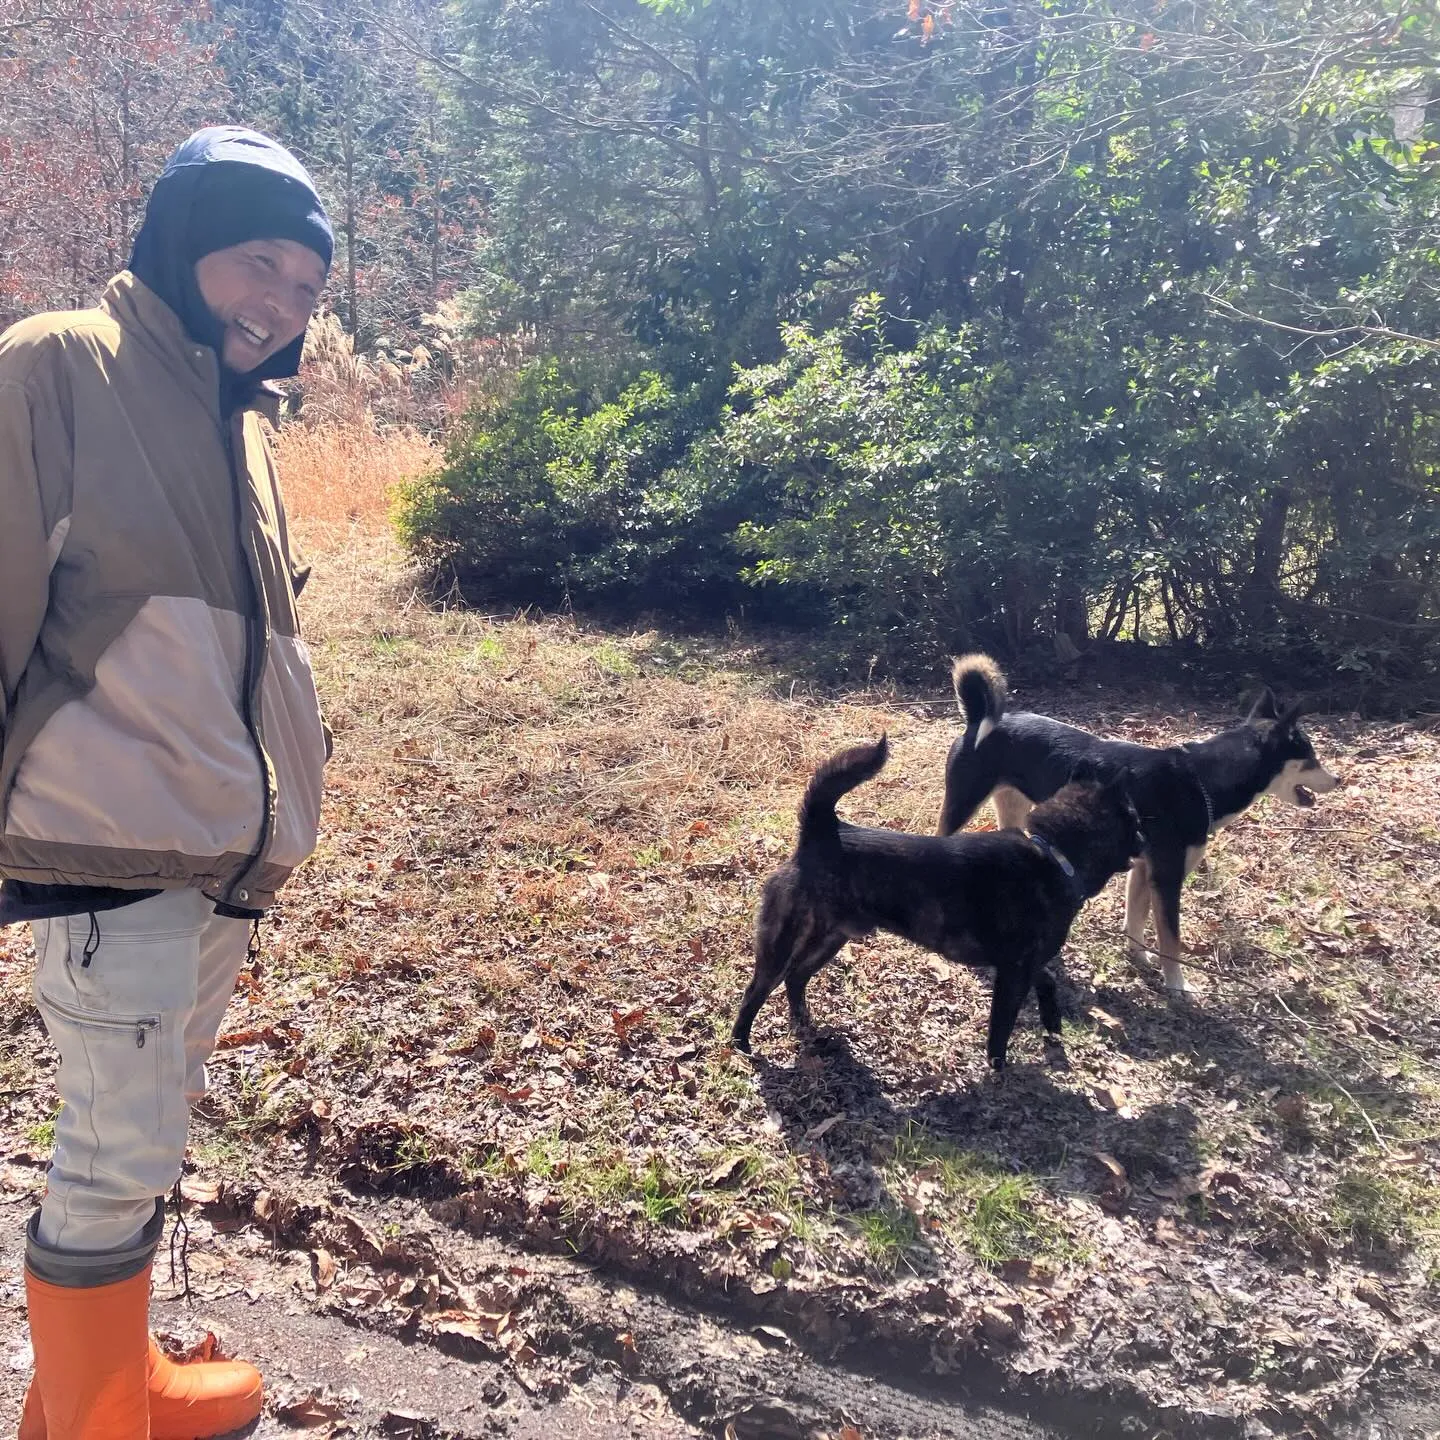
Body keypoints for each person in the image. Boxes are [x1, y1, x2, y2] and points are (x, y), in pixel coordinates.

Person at [0, 126, 333, 1439]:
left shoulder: (245, 427)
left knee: (144, 1128)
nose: (282, 306)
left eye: (307, 289)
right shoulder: (56, 367)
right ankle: (83, 1419)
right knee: (116, 1142)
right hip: (104, 846)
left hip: (214, 859)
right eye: (261, 265)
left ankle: (110, 1385)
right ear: (183, 242)